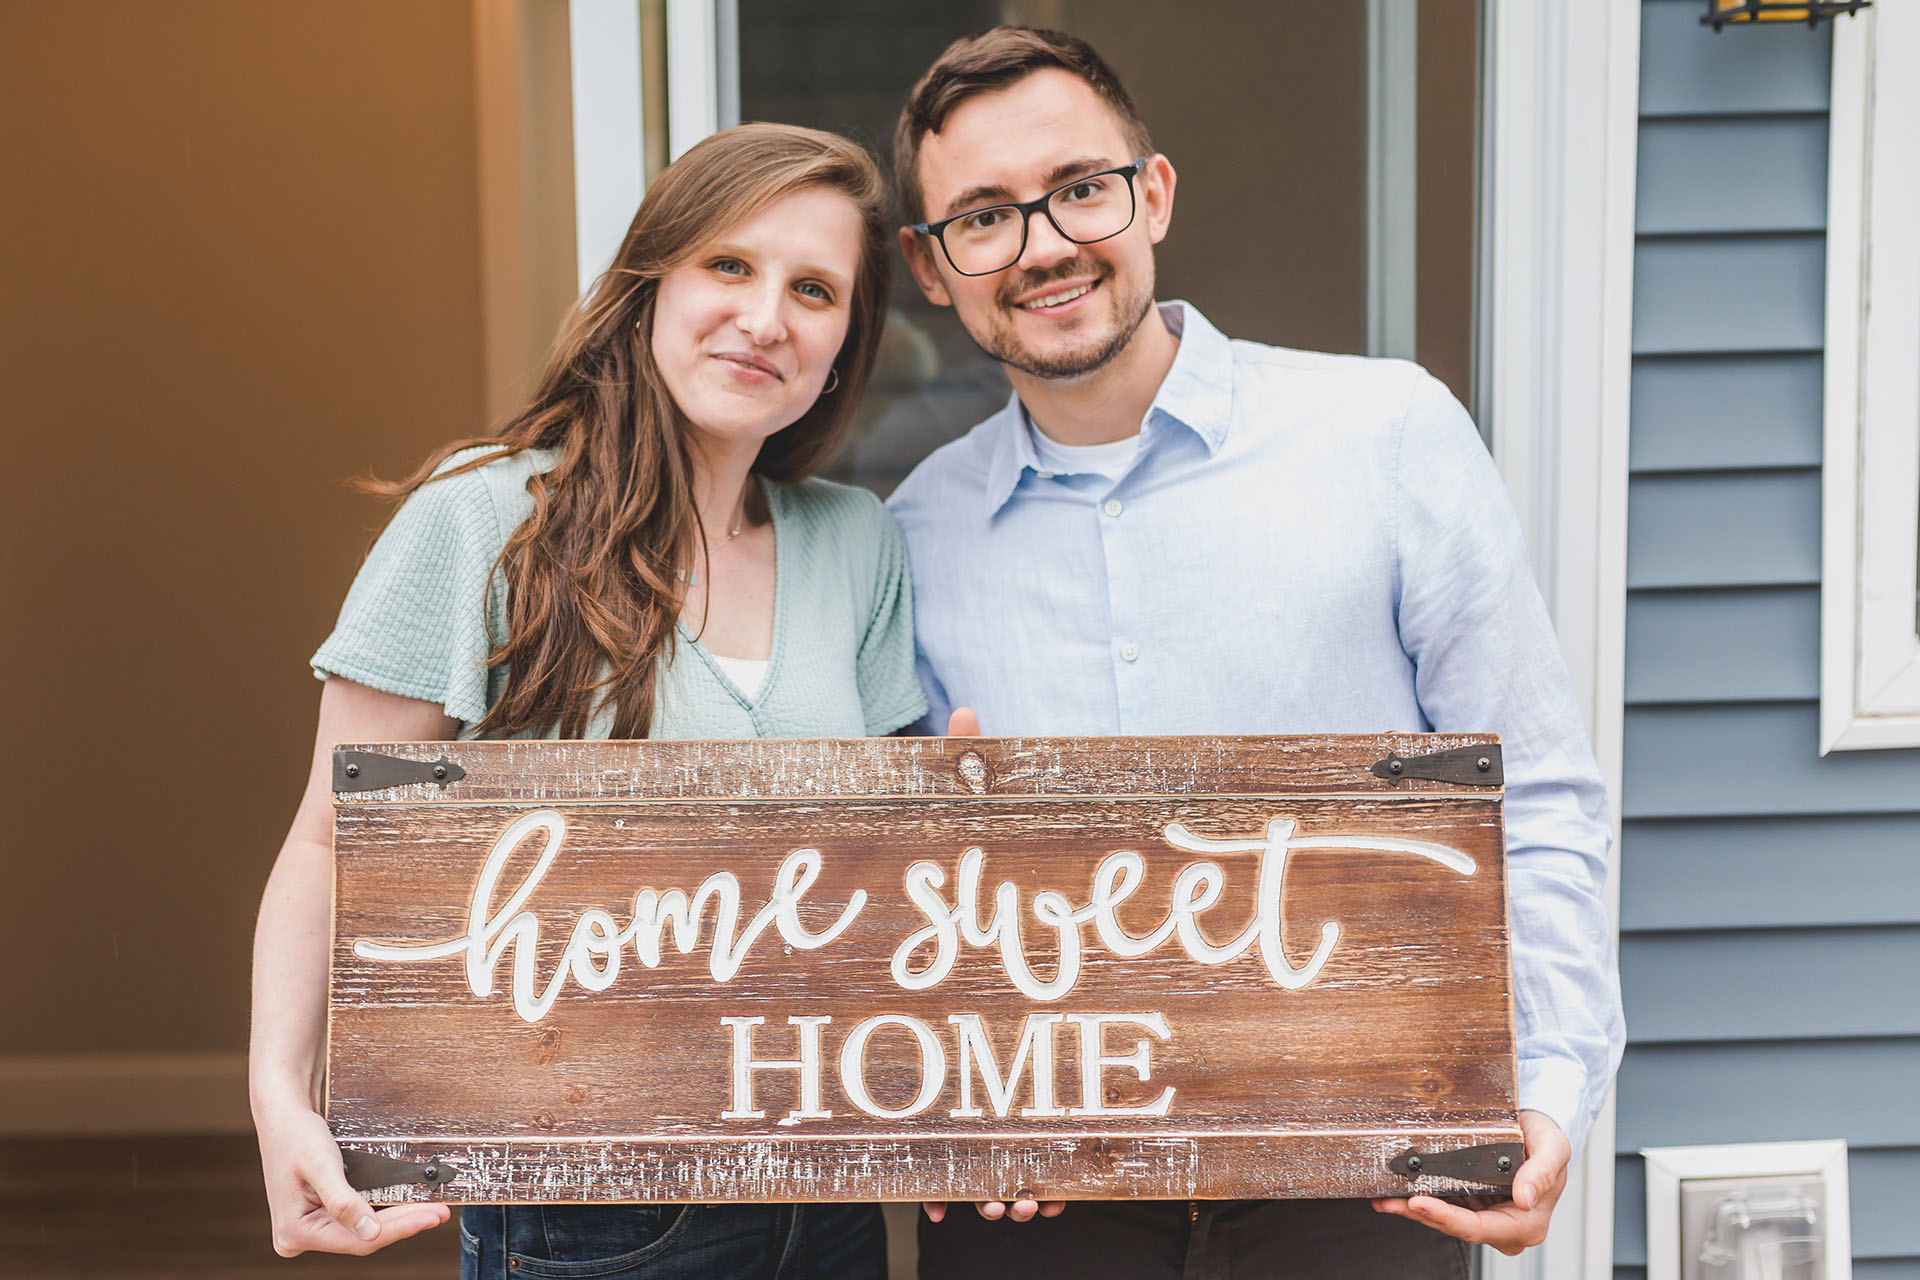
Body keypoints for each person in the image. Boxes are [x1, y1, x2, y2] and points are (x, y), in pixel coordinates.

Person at [883, 27, 1625, 1278]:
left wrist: (1548, 1089)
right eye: (985, 217)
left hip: (1363, 1173)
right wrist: (942, 1095)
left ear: (1152, 193)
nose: (1046, 244)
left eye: (1079, 188)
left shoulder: (1385, 432)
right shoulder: (913, 532)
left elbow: (1533, 795)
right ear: (930, 265)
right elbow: (886, 896)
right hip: (1047, 1202)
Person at [248, 122, 924, 1280]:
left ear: (846, 341)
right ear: (650, 279)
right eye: (729, 264)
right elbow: (331, 835)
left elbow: (881, 878)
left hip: (829, 1188)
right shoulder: (481, 518)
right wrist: (279, 1095)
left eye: (814, 289)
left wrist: (954, 826)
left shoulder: (858, 544)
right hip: (582, 1196)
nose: (767, 317)